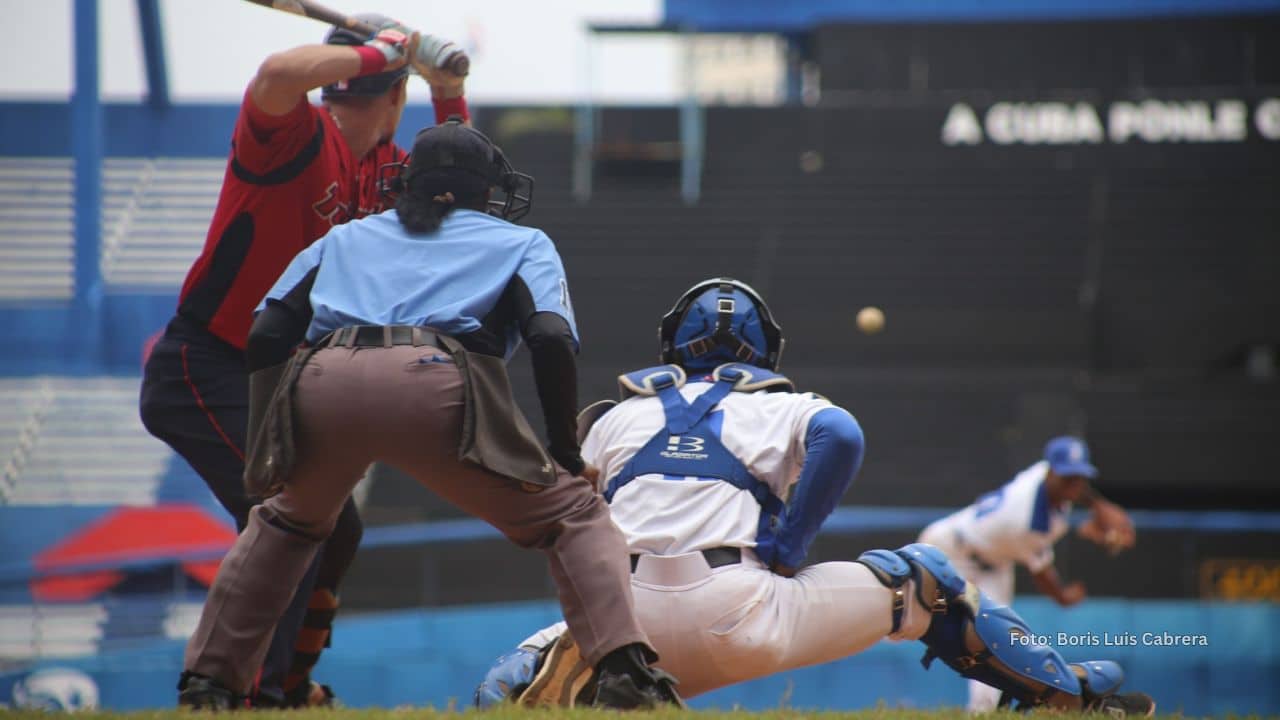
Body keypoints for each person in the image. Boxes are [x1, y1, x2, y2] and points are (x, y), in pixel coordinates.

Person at [175, 119, 682, 711]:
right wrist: (565, 455)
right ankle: (624, 673)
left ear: (407, 182)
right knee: (574, 515)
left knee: (284, 525)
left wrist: (269, 439)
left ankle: (208, 685)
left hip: (323, 377)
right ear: (486, 190)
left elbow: (266, 334)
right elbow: (548, 337)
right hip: (431, 380)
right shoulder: (521, 241)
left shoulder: (345, 236)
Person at [474, 278, 1154, 716]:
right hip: (741, 609)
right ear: (764, 351)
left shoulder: (614, 418)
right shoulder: (782, 406)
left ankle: (584, 689)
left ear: (672, 343)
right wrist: (788, 545)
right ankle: (1065, 695)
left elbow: (569, 521)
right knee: (924, 582)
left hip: (622, 629)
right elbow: (843, 434)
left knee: (510, 676)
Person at [138, 15, 470, 707]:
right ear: (394, 97)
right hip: (206, 364)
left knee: (334, 524)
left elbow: (460, 196)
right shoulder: (297, 135)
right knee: (291, 515)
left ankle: (287, 685)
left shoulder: (383, 168)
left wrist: (448, 94)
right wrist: (382, 53)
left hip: (271, 376)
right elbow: (278, 73)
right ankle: (249, 692)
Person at [919, 435, 1137, 712]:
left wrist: (1099, 505)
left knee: (994, 638)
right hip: (950, 550)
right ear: (1051, 472)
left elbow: (1075, 490)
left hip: (994, 562)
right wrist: (1064, 596)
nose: (1074, 483)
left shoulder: (1041, 474)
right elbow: (1043, 576)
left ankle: (982, 711)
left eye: (1079, 476)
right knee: (910, 616)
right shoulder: (1028, 521)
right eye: (1067, 477)